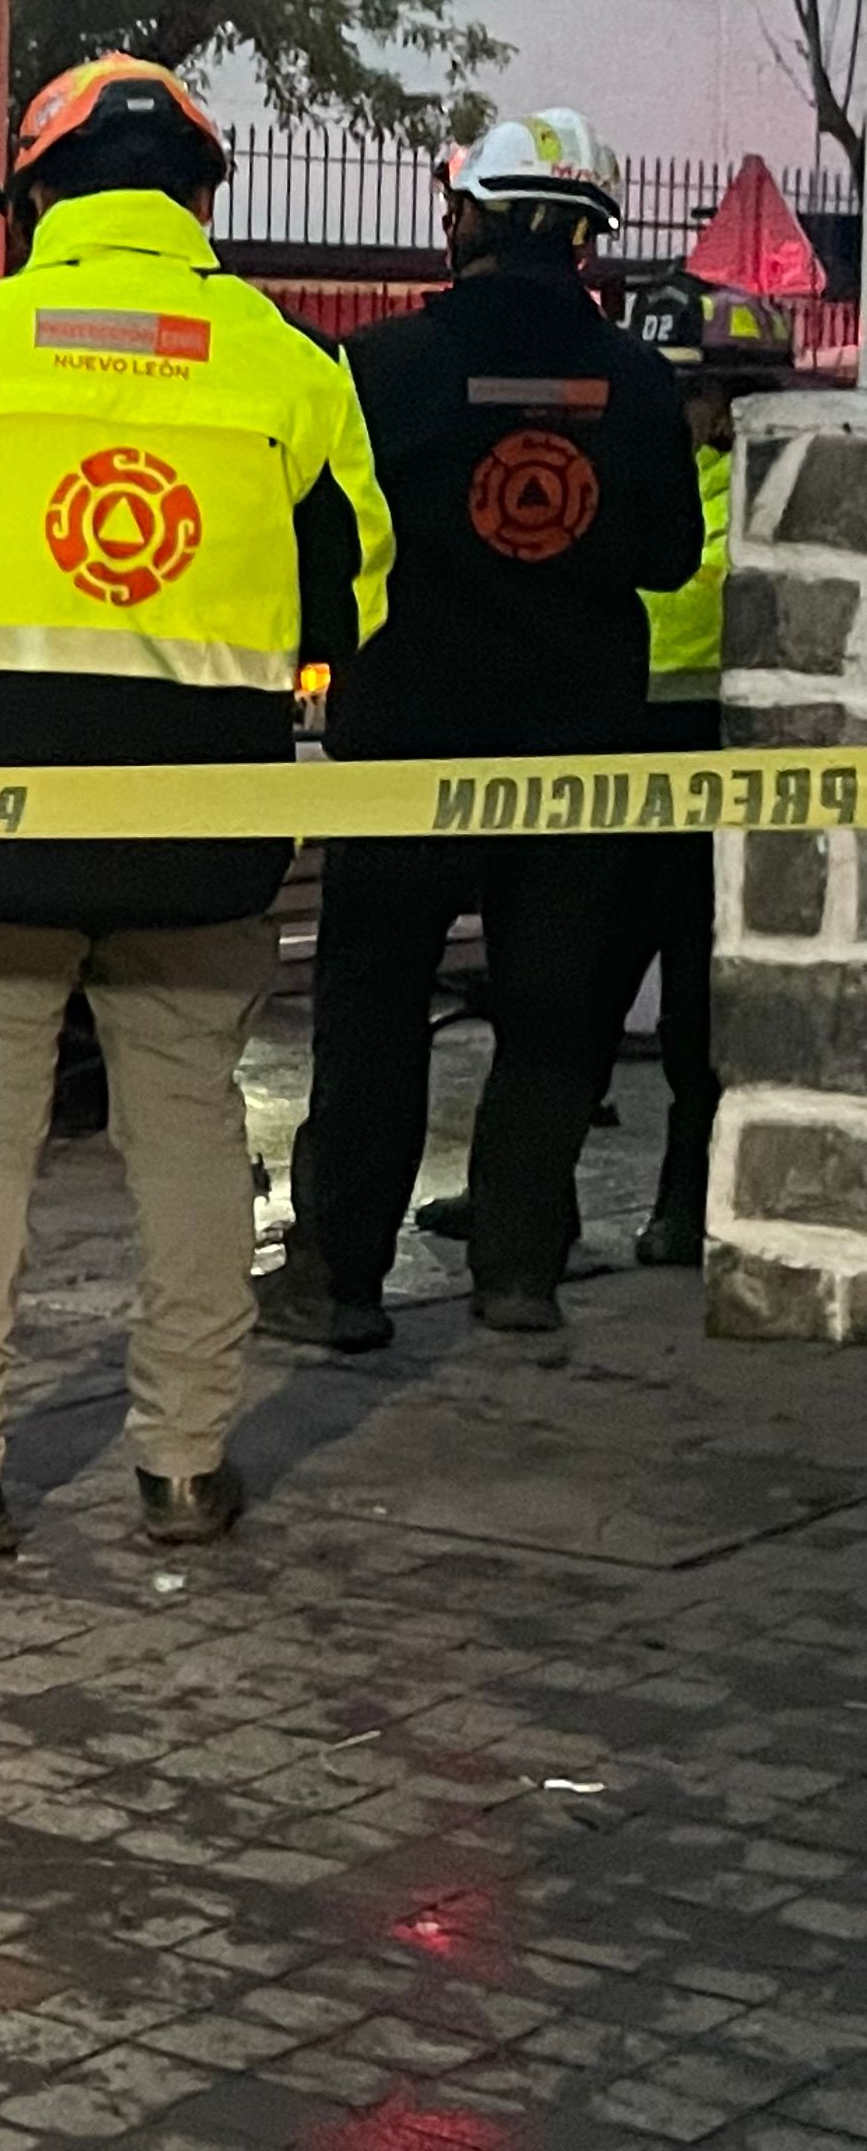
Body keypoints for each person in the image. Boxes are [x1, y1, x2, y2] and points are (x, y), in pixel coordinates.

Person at [0, 56, 392, 1557]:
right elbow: (358, 603)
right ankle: (186, 1467)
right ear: (200, 196)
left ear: (37, 199)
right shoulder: (292, 369)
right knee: (189, 1134)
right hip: (205, 836)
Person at [253, 115, 700, 1350]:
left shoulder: (380, 367)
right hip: (577, 750)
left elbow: (329, 548)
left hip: (408, 743)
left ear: (470, 221)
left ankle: (340, 1278)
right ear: (586, 238)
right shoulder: (643, 381)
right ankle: (520, 1271)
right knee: (554, 1016)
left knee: (375, 1009)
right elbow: (666, 555)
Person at [620, 282, 795, 1263]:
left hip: (715, 753)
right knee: (571, 995)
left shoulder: (768, 493)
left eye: (688, 393)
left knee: (698, 1005)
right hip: (616, 747)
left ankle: (686, 1205)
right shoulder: (656, 468)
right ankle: (524, 1209)